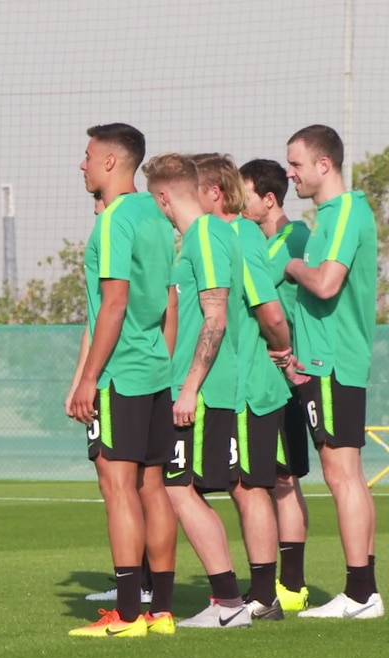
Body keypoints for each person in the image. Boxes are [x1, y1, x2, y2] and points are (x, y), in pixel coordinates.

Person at [65, 125, 177, 637]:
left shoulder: (112, 222)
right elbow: (168, 302)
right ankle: (161, 611)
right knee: (152, 487)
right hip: (155, 370)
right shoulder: (157, 215)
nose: (81, 165)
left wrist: (90, 378)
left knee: (118, 488)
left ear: (111, 163)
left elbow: (113, 304)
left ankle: (128, 613)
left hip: (121, 373)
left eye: (87, 156)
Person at [144, 152, 250, 629]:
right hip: (195, 385)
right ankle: (227, 601)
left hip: (200, 390)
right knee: (179, 490)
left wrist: (188, 389)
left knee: (180, 489)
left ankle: (229, 605)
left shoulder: (205, 235)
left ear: (165, 197)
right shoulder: (198, 238)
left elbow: (216, 316)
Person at [283, 125, 382, 619]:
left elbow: (325, 283)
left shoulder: (343, 214)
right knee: (349, 477)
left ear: (324, 166)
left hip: (332, 363)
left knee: (341, 476)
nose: (291, 174)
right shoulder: (331, 216)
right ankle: (365, 590)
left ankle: (360, 594)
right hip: (328, 362)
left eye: (296, 165)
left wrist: (292, 266)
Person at [191, 153, 293, 620]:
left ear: (212, 191)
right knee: (242, 486)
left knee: (250, 488)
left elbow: (269, 311)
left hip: (249, 388)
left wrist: (282, 351)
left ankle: (263, 596)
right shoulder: (213, 236)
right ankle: (258, 593)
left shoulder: (240, 234)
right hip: (231, 388)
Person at [240, 158, 312, 612]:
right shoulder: (259, 242)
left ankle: (293, 585)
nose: (238, 203)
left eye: (244, 195)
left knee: (283, 479)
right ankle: (274, 585)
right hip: (263, 377)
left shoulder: (295, 237)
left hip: (288, 377)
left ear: (268, 199)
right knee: (267, 481)